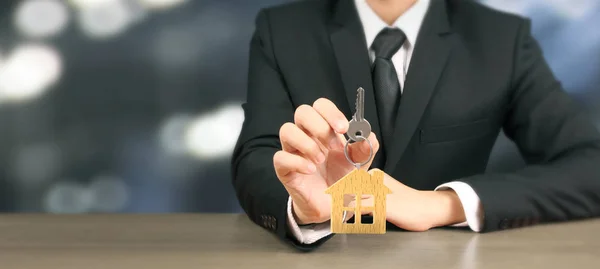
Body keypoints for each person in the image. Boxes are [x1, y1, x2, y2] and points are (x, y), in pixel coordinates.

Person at [231, 0, 600, 250]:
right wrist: (302, 208)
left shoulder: (501, 37)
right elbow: (256, 156)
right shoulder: (282, 29)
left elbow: (590, 166)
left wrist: (442, 205)